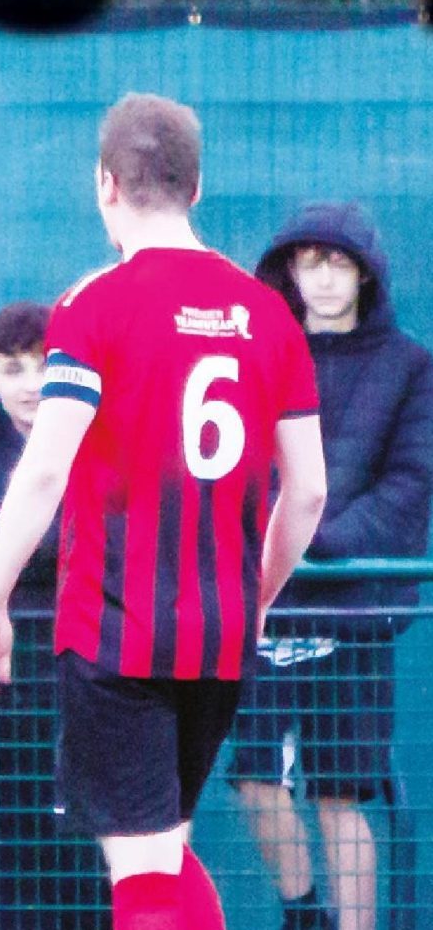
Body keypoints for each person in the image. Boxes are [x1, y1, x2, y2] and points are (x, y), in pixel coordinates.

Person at [0, 93, 328, 930]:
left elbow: (46, 464)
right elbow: (307, 491)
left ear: (105, 184)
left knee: (142, 871)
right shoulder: (268, 313)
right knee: (165, 848)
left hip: (118, 629)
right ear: (198, 189)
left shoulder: (93, 304)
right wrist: (257, 597)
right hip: (220, 635)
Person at [229, 202, 433, 930]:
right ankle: (304, 914)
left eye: (338, 261)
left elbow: (412, 484)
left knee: (340, 791)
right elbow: (231, 464)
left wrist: (312, 540)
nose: (322, 278)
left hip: (353, 615)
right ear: (290, 271)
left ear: (365, 273)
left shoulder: (411, 367)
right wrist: (268, 551)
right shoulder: (258, 354)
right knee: (255, 776)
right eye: (309, 261)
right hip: (263, 608)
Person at [0, 301, 107, 928]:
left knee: (86, 839)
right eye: (13, 369)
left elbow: (97, 536)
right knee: (0, 832)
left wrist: (4, 546)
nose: (31, 383)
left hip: (83, 665)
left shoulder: (97, 438)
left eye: (43, 366)